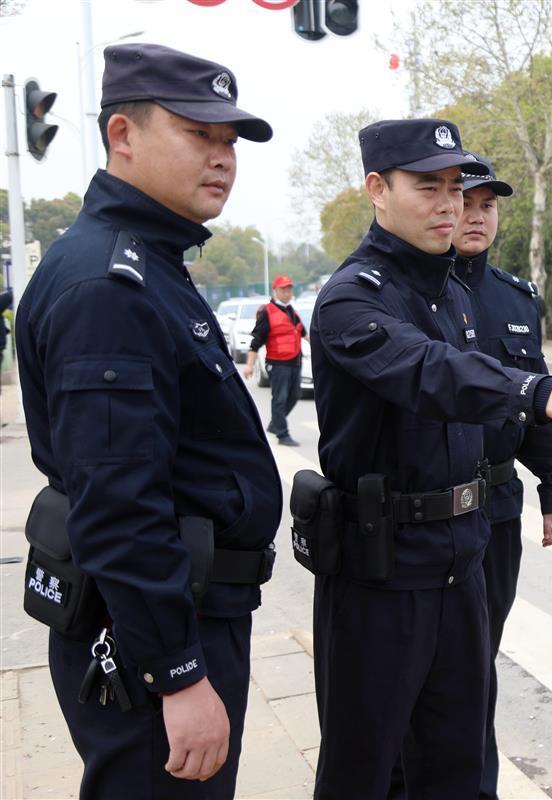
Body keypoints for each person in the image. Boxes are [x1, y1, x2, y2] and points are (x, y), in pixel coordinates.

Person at [307, 118, 552, 799]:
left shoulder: (455, 293)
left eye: (455, 189)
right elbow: (430, 373)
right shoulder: (353, 298)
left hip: (462, 558)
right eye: (425, 187)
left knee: (461, 762)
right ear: (378, 189)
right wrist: (545, 392)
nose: (449, 204)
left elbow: (482, 404)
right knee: (365, 768)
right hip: (383, 569)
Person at [14, 43, 281, 798]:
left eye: (230, 142)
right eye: (200, 134)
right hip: (152, 634)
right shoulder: (111, 285)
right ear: (123, 135)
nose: (223, 158)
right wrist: (178, 673)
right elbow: (119, 503)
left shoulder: (148, 263)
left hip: (173, 616)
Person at [443, 151, 552, 800]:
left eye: (487, 205)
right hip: (427, 507)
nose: (475, 215)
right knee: (428, 671)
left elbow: (536, 411)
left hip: (494, 507)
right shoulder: (414, 294)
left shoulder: (516, 299)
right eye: (465, 201)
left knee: (477, 665)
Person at [242, 274, 307, 445]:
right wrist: (249, 365)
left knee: (294, 396)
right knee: (280, 398)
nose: (287, 292)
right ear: (275, 290)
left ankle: (275, 424)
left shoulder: (292, 311)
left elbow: (304, 334)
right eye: (283, 289)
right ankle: (282, 434)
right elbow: (256, 341)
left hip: (295, 362)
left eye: (289, 289)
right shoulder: (267, 312)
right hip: (278, 363)